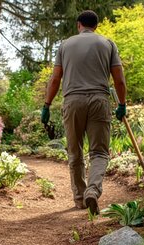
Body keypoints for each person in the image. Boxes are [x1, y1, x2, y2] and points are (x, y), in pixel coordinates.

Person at [42, 10, 127, 215]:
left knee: (75, 151)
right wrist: (122, 104)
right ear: (95, 26)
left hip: (73, 101)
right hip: (99, 100)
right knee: (99, 152)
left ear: (79, 25)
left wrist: (46, 105)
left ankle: (80, 198)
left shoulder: (65, 45)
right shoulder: (108, 44)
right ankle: (93, 190)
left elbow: (55, 80)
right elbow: (119, 79)